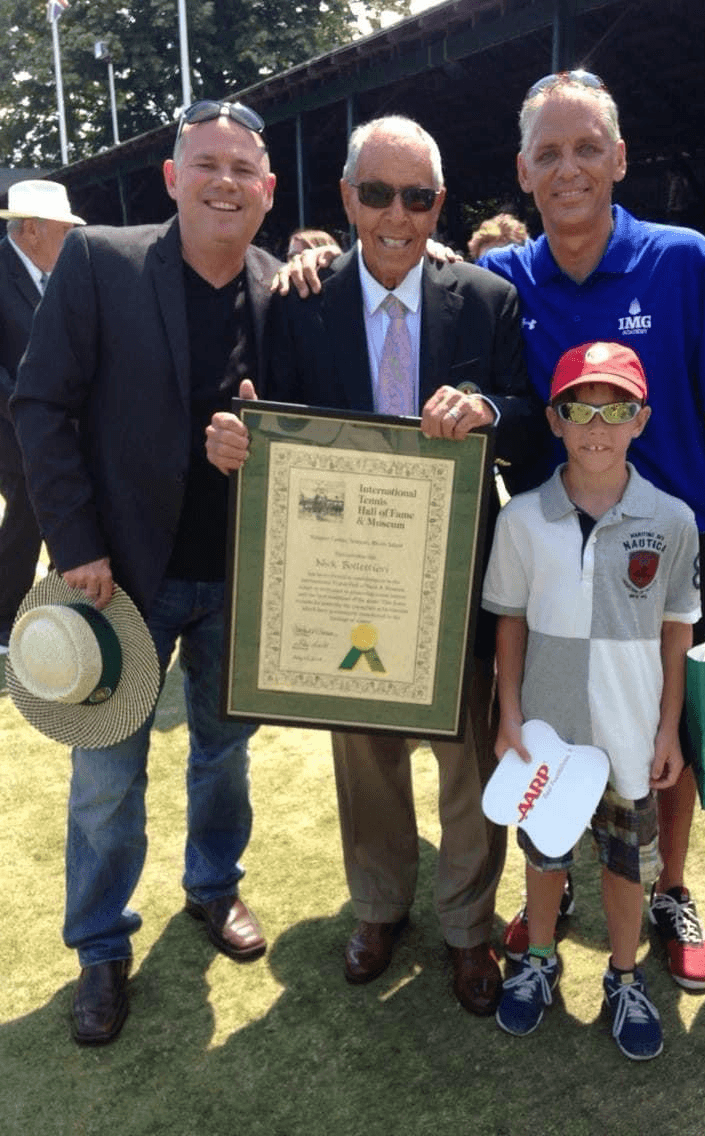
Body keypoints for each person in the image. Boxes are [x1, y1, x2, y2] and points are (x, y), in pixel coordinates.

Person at [206, 114, 545, 1016]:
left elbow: (524, 410)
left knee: (467, 755)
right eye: (380, 193)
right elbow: (268, 418)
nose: (399, 215)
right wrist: (241, 437)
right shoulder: (299, 300)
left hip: (456, 572)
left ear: (440, 201)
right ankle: (381, 908)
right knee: (364, 752)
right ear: (348, 197)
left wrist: (483, 409)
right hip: (344, 576)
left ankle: (469, 928)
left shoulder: (484, 298)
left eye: (420, 196)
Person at [477, 71, 705, 992]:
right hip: (549, 563)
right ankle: (553, 882)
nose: (570, 169)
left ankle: (671, 890)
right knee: (549, 731)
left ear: (620, 157)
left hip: (663, 560)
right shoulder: (497, 281)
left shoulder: (682, 261)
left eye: (587, 148)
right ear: (524, 172)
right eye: (550, 153)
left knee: (662, 738)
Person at [11, 100, 281, 1045]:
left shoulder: (283, 284)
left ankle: (213, 887)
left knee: (224, 755)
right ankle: (98, 944)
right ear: (173, 177)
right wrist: (75, 539)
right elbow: (40, 407)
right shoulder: (101, 262)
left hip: (238, 577)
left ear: (268, 190)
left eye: (243, 168)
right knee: (107, 776)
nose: (224, 182)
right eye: (205, 163)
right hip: (118, 576)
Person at [483, 341, 699, 1057]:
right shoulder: (521, 520)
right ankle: (538, 961)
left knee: (624, 865)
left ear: (642, 420)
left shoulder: (671, 520)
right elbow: (509, 622)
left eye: (617, 409)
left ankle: (625, 974)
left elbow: (676, 636)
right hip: (547, 732)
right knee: (544, 858)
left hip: (630, 734)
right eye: (580, 408)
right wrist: (510, 714)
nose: (597, 426)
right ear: (554, 420)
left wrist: (668, 730)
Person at [0, 180, 84, 653]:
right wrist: (28, 410)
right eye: (63, 230)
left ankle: (55, 605)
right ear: (31, 229)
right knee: (31, 511)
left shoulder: (57, 273)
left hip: (55, 423)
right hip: (10, 426)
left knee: (63, 503)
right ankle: (3, 619)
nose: (70, 239)